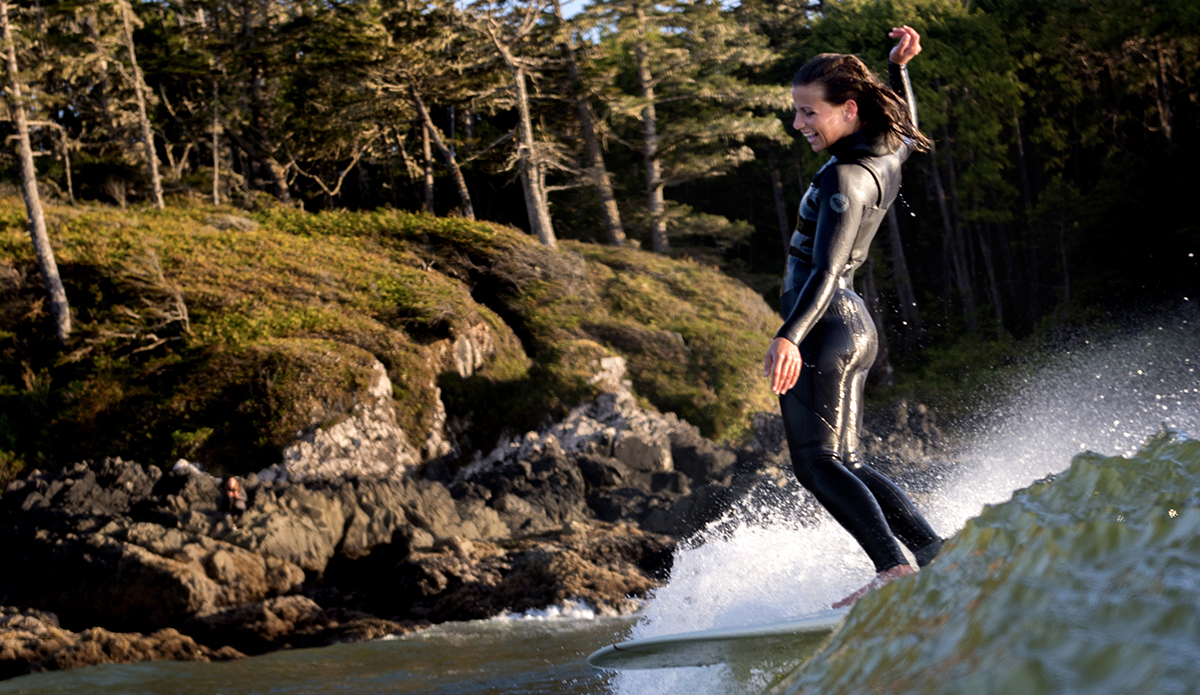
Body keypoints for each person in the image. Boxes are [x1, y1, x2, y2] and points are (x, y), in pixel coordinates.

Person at [763, 26, 943, 609]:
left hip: (825, 323)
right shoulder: (887, 149)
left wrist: (789, 336)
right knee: (847, 462)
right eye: (796, 112)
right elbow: (906, 127)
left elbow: (825, 268)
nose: (799, 124)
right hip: (852, 324)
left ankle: (893, 565)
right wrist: (901, 71)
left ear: (848, 109)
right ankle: (931, 552)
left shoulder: (845, 176)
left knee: (817, 464)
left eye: (808, 112)